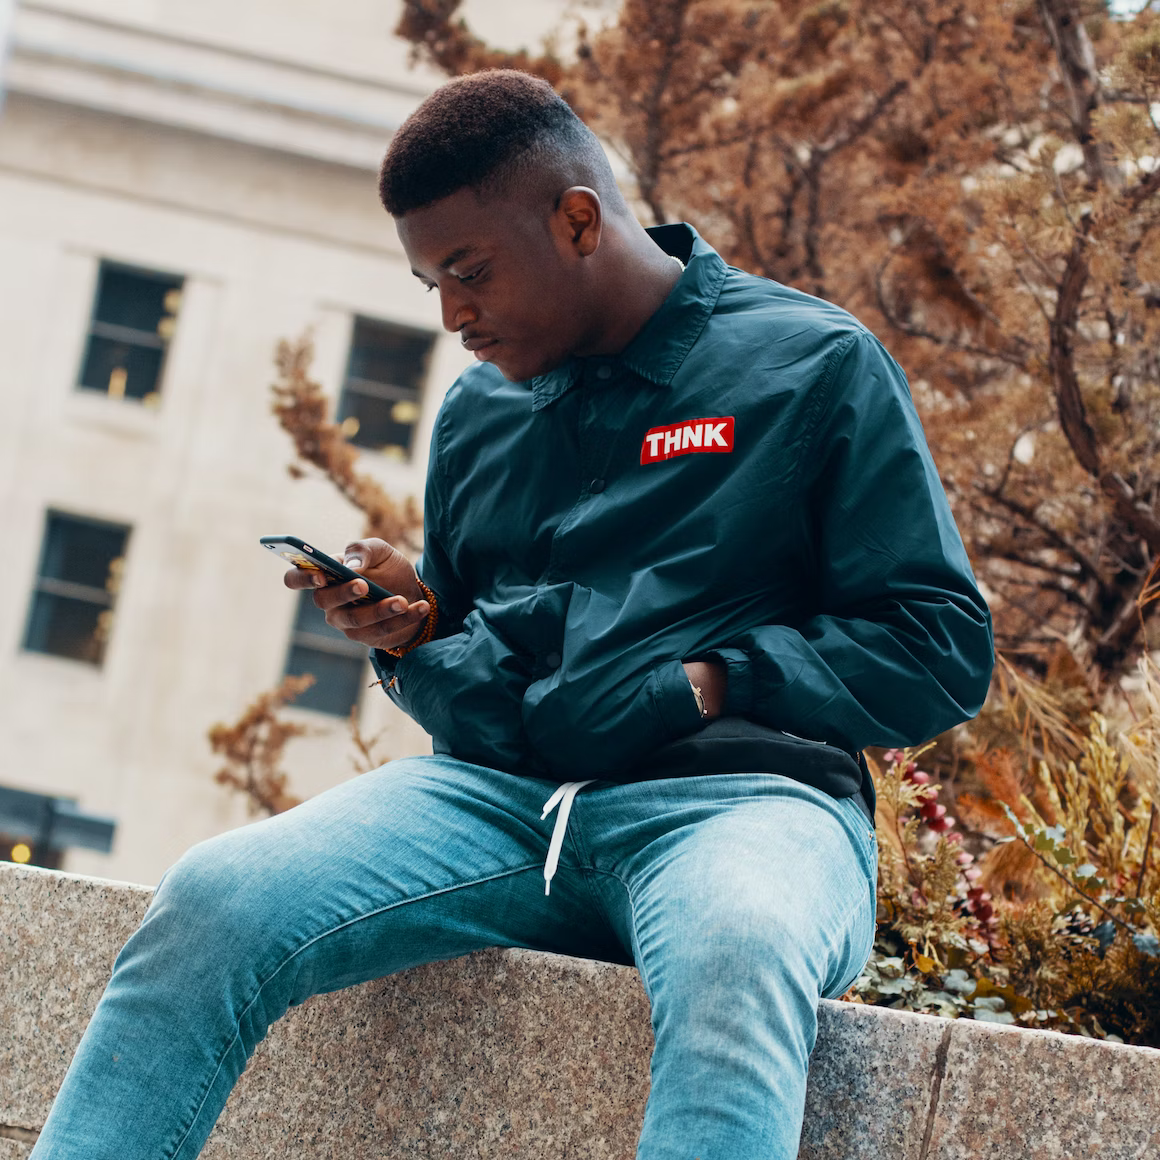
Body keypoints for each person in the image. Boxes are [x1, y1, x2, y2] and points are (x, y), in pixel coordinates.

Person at [31, 71, 993, 1160]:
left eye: (467, 271)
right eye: (428, 282)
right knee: (212, 895)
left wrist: (711, 681)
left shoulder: (809, 364)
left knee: (735, 948)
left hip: (746, 806)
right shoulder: (478, 411)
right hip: (499, 805)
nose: (449, 315)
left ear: (576, 219)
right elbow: (493, 695)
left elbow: (939, 645)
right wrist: (421, 633)